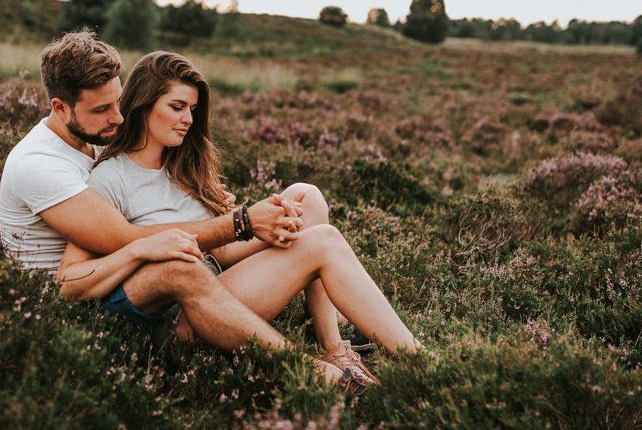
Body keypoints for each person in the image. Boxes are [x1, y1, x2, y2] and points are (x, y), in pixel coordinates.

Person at [56, 50, 423, 391]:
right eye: (177, 106)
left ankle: (334, 346)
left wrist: (265, 222)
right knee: (323, 241)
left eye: (193, 110)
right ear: (144, 105)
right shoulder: (111, 177)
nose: (188, 119)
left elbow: (221, 252)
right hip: (182, 314)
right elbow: (70, 280)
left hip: (221, 284)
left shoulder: (184, 166)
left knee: (305, 197)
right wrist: (146, 248)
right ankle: (418, 362)